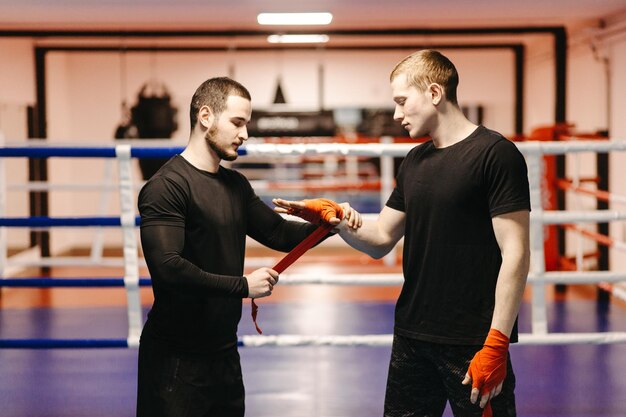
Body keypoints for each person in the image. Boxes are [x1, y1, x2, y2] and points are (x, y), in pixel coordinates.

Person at [274, 49, 531, 417]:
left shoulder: (495, 155)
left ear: (434, 93)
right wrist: (335, 219)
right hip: (412, 334)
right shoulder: (414, 161)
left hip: (472, 340)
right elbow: (380, 238)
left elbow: (516, 253)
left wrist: (497, 342)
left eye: (401, 101)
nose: (396, 115)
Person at [136, 76, 352, 417]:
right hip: (175, 360)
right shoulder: (167, 186)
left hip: (223, 355)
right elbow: (167, 267)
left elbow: (279, 233)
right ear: (205, 116)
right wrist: (243, 286)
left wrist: (330, 221)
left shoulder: (234, 185)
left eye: (246, 124)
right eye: (237, 122)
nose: (245, 134)